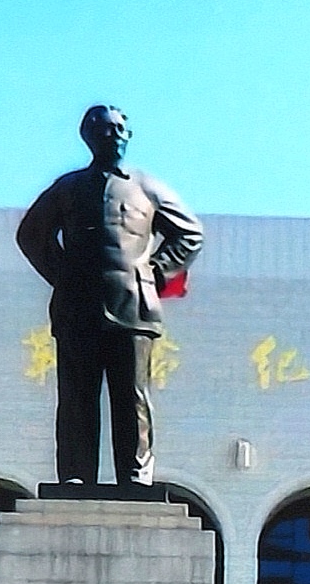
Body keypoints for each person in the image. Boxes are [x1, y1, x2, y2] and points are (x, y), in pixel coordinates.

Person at [15, 105, 204, 487]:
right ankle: (75, 475)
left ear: (128, 136)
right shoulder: (68, 188)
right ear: (87, 136)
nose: (113, 135)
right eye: (104, 129)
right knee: (77, 396)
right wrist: (63, 277)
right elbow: (31, 234)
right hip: (77, 308)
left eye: (120, 129)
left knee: (132, 396)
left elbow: (190, 233)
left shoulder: (146, 188)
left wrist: (154, 272)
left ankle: (136, 476)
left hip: (133, 306)